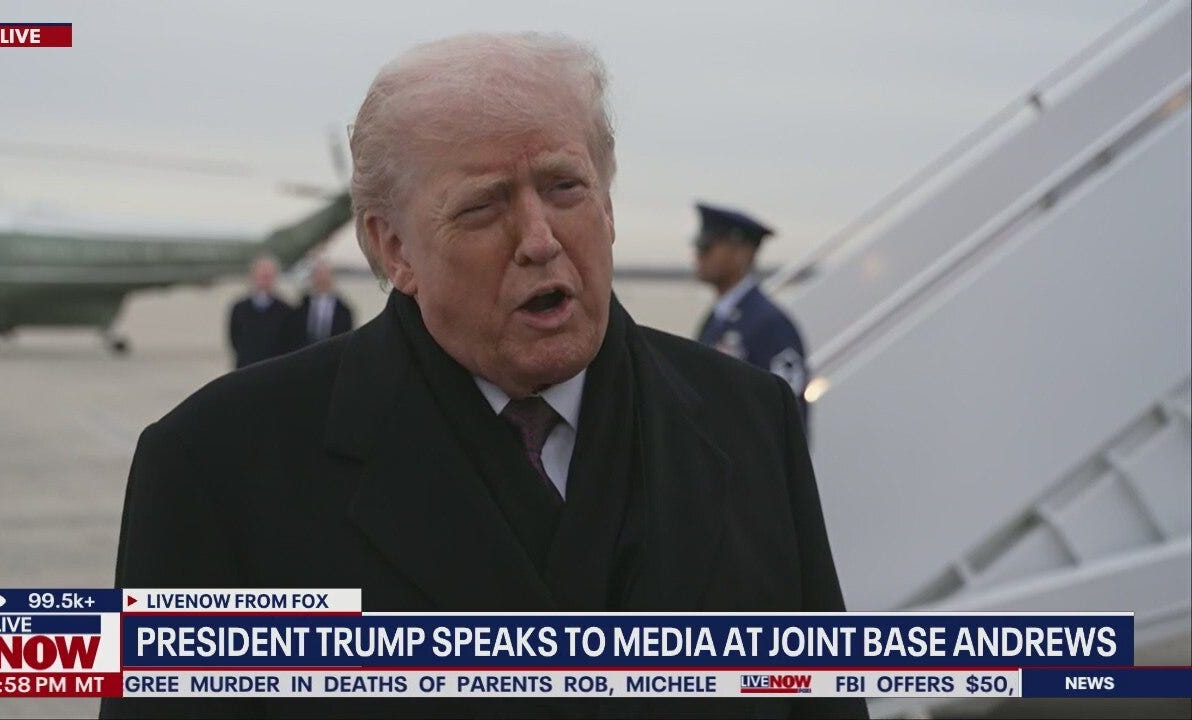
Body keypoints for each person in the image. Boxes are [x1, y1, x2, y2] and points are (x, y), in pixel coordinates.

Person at [105, 33, 863, 719]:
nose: (539, 239)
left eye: (565, 188)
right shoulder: (217, 466)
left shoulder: (748, 420)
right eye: (483, 207)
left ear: (608, 202)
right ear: (392, 245)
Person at [694, 203, 811, 427]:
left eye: (706, 246)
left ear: (741, 253)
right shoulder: (717, 319)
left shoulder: (770, 324)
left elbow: (790, 414)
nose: (698, 256)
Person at [226, 254, 292, 369]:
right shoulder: (239, 308)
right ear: (253, 275)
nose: (264, 278)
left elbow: (288, 343)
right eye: (261, 274)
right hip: (245, 370)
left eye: (268, 275)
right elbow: (234, 339)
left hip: (275, 371)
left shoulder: (286, 310)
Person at [281, 258, 354, 352]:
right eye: (318, 275)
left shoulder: (344, 312)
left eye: (325, 275)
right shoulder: (300, 309)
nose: (321, 279)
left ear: (332, 278)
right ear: (312, 279)